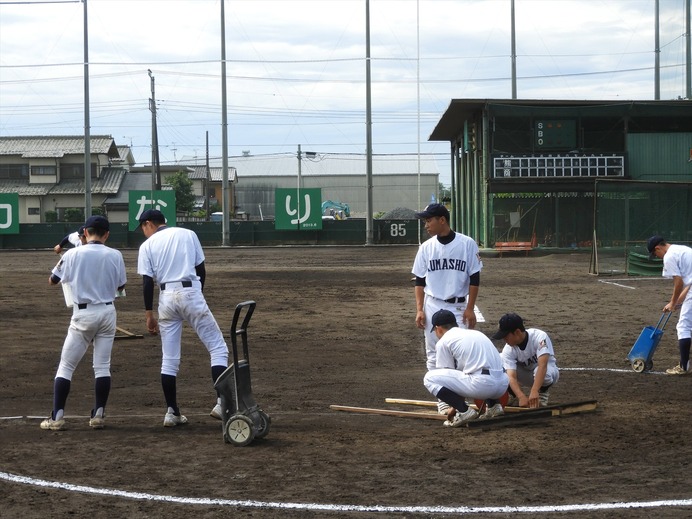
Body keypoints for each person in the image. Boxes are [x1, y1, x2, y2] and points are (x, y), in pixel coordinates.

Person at [136, 209, 229, 427]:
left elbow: (147, 282)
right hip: (190, 292)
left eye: (142, 227)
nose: (143, 232)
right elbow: (201, 269)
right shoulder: (188, 234)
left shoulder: (147, 246)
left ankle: (172, 412)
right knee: (218, 349)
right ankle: (221, 403)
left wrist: (149, 314)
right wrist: (198, 295)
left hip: (166, 298)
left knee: (169, 360)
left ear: (149, 223)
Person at [41, 215, 127, 430]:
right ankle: (98, 414)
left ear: (85, 233)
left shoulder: (72, 254)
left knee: (66, 366)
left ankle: (57, 417)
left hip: (82, 315)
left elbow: (53, 280)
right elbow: (120, 287)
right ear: (106, 234)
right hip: (108, 313)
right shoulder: (116, 255)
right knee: (102, 367)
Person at [412, 203, 483, 414]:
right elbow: (419, 281)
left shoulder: (467, 244)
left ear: (442, 219)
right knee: (434, 354)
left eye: (429, 220)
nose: (426, 225)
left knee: (461, 353)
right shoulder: (426, 247)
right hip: (433, 304)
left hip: (459, 305)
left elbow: (475, 276)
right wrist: (419, 309)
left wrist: (470, 308)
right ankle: (443, 398)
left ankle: (458, 397)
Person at [423, 310, 509, 427]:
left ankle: (464, 411)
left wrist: (455, 406)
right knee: (480, 368)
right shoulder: (476, 333)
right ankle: (494, 406)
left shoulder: (444, 341)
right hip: (503, 385)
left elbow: (448, 376)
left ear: (438, 328)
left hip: (482, 386)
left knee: (429, 378)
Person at [491, 313, 559, 408]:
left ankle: (542, 393)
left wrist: (534, 391)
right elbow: (511, 377)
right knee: (500, 360)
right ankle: (513, 395)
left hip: (549, 373)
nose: (504, 339)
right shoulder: (508, 349)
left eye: (506, 336)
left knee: (540, 370)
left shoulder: (539, 337)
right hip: (528, 376)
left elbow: (543, 366)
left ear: (517, 332)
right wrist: (521, 396)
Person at [647, 235, 692, 375]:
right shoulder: (682, 249)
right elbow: (689, 285)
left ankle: (683, 367)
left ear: (657, 248)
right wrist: (676, 303)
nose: (658, 257)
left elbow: (678, 282)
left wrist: (673, 303)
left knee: (683, 326)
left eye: (655, 254)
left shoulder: (669, 256)